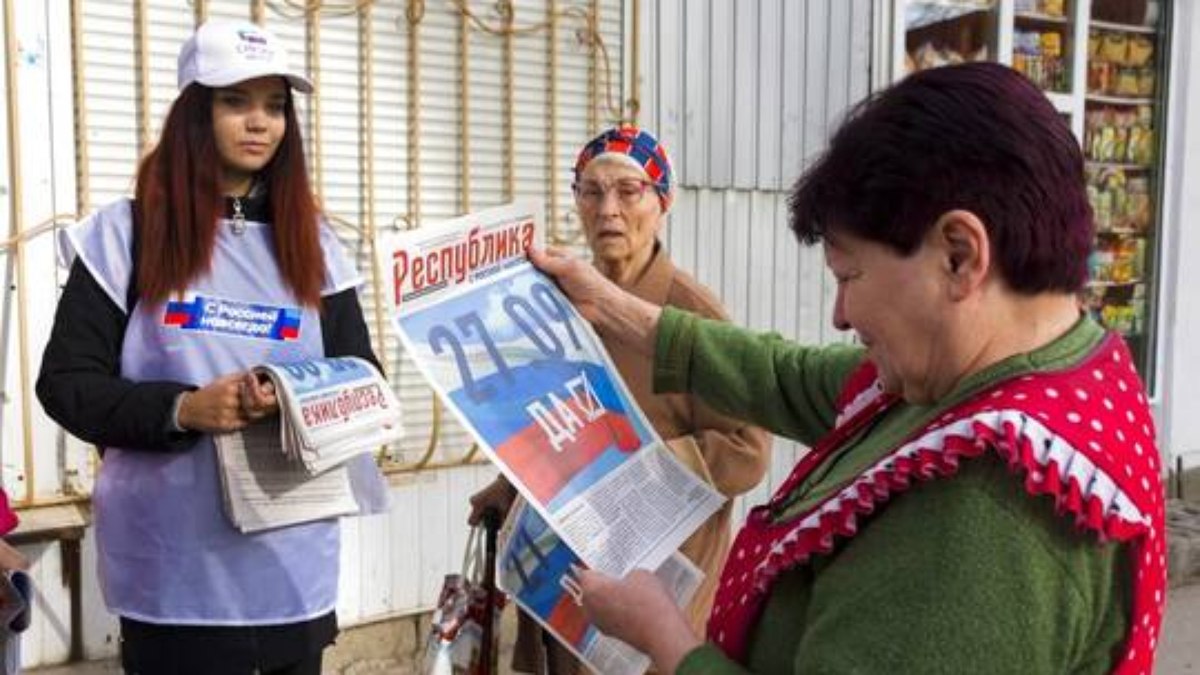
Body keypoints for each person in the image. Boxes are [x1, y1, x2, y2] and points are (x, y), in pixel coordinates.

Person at [532, 63, 1166, 674]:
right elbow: (788, 376)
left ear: (959, 255)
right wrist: (613, 306)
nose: (839, 315)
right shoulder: (1011, 371)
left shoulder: (977, 521)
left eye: (849, 276)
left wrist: (665, 637)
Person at [36, 19, 385, 675]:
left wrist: (289, 398)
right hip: (173, 573)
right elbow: (65, 382)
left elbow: (364, 376)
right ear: (195, 112)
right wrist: (185, 409)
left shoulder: (315, 242)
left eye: (275, 105)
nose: (260, 123)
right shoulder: (124, 236)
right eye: (235, 101)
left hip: (292, 564)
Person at [468, 125, 771, 674]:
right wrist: (507, 488)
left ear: (663, 202)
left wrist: (637, 467)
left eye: (629, 191)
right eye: (591, 191)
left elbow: (747, 450)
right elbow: (551, 422)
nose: (608, 209)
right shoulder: (554, 301)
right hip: (562, 584)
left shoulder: (691, 314)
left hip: (656, 591)